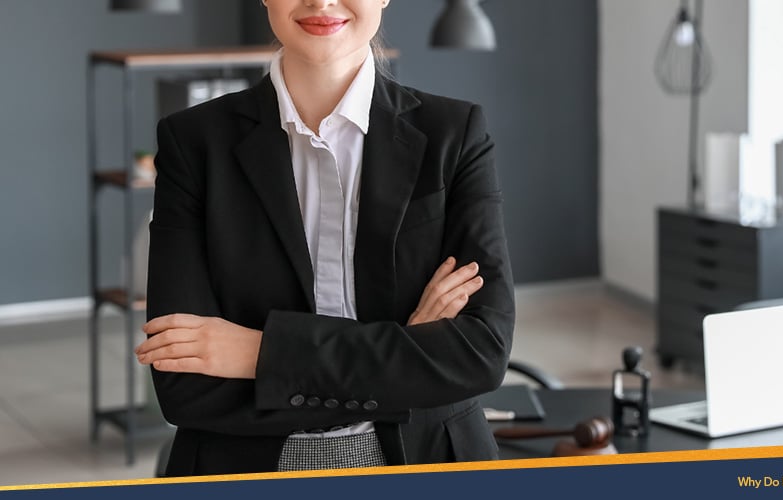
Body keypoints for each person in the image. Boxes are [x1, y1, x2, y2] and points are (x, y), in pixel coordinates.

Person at [133, 0, 514, 476]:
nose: (321, 1)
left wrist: (261, 354)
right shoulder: (192, 143)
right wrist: (404, 359)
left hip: (429, 458)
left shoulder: (454, 135)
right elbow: (185, 387)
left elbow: (480, 352)